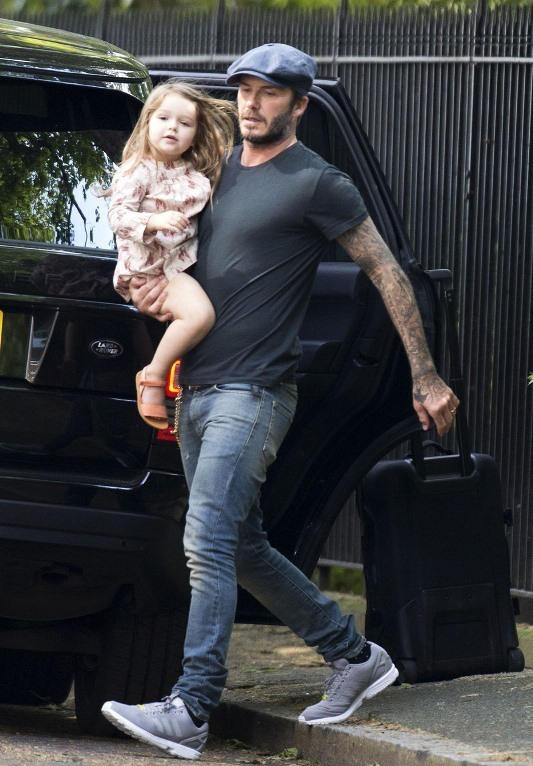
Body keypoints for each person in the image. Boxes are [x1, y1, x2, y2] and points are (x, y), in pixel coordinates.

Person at [101, 43, 460, 760]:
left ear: (299, 104)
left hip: (255, 392)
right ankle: (353, 656)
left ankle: (191, 706)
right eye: (244, 90)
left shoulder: (317, 182)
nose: (251, 103)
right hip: (198, 387)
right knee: (241, 545)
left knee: (206, 540)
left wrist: (423, 375)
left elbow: (386, 272)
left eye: (269, 93)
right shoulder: (214, 169)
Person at [107, 80, 235, 429]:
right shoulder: (138, 169)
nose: (172, 128)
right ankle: (153, 376)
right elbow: (117, 216)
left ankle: (160, 373)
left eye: (184, 123)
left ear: (195, 135)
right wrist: (153, 221)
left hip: (175, 269)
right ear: (147, 122)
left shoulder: (195, 175)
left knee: (200, 316)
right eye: (163, 118)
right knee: (200, 316)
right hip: (148, 270)